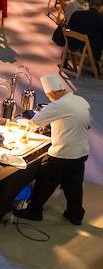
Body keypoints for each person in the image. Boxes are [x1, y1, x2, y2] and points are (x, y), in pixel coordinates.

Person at [14, 74, 91, 226]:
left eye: (49, 96)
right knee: (74, 185)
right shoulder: (80, 100)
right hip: (81, 152)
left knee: (44, 181)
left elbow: (34, 122)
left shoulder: (57, 105)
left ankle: (34, 211)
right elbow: (86, 124)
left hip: (62, 153)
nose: (49, 98)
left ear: (52, 93)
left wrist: (22, 126)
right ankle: (75, 214)